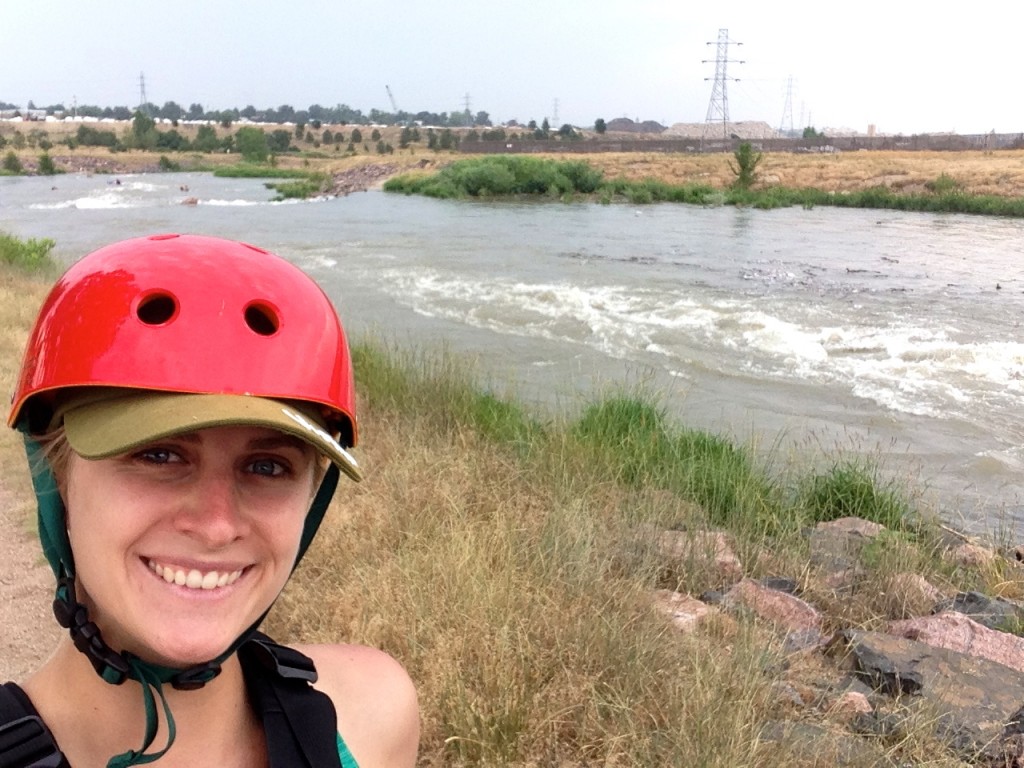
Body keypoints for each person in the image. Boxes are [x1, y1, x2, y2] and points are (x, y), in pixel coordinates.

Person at [0, 234, 419, 767]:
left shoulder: (372, 715)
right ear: (55, 473)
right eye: (158, 455)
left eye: (267, 467)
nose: (217, 526)